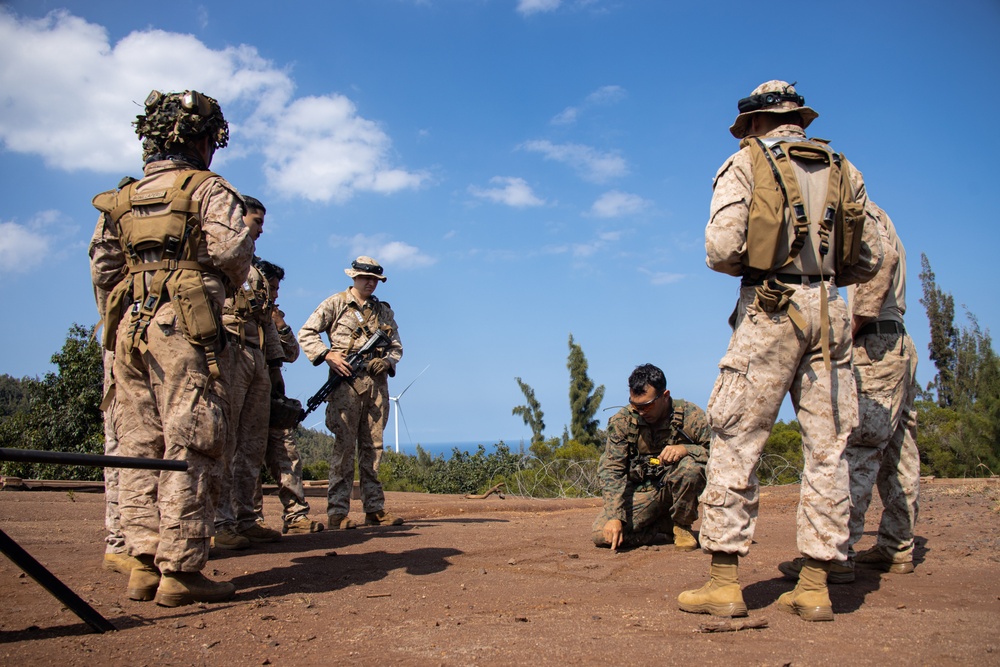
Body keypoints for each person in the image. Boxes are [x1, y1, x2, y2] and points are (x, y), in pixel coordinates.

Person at [678, 80, 883, 622]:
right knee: (829, 448)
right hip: (831, 311)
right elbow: (868, 259)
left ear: (752, 123)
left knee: (736, 438)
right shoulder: (846, 171)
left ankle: (724, 583)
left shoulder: (744, 163)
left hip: (769, 310)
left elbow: (721, 250)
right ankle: (816, 585)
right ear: (800, 119)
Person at [89, 89, 254, 607]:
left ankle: (141, 561)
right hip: (185, 330)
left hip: (126, 331)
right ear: (204, 141)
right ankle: (180, 570)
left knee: (139, 444)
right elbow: (232, 251)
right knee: (193, 436)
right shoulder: (209, 189)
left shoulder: (123, 197)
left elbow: (102, 269)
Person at [780, 205, 919, 583]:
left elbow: (883, 259)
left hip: (873, 343)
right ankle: (897, 544)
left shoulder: (858, 210)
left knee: (859, 445)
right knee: (898, 446)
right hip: (895, 341)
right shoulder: (879, 213)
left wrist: (852, 325)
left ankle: (838, 554)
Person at [298, 256, 404, 530]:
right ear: (354, 277)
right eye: (366, 278)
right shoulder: (335, 304)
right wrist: (327, 355)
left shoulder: (383, 311)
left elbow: (396, 346)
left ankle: (374, 509)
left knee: (374, 450)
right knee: (344, 449)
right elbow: (307, 333)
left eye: (375, 280)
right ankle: (337, 512)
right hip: (345, 384)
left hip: (377, 385)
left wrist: (388, 362)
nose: (371, 283)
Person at [213, 197, 284, 550]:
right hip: (229, 350)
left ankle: (247, 517)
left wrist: (275, 367)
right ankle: (220, 521)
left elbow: (266, 320)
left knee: (252, 444)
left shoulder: (255, 268)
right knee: (224, 440)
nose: (261, 228)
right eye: (256, 221)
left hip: (256, 356)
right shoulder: (221, 256)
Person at [591, 364, 711, 552]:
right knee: (601, 534)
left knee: (690, 468)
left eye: (646, 406)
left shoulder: (691, 416)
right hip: (643, 492)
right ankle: (661, 526)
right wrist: (615, 516)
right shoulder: (622, 421)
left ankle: (681, 526)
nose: (640, 411)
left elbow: (719, 454)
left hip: (676, 491)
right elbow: (612, 469)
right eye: (634, 405)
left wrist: (686, 449)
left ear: (665, 396)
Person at [253, 258, 324, 534]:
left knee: (288, 457)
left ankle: (295, 516)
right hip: (245, 397)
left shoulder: (272, 316)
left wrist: (279, 323)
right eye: (271, 287)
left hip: (272, 398)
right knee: (245, 461)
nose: (276, 293)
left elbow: (292, 353)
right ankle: (249, 520)